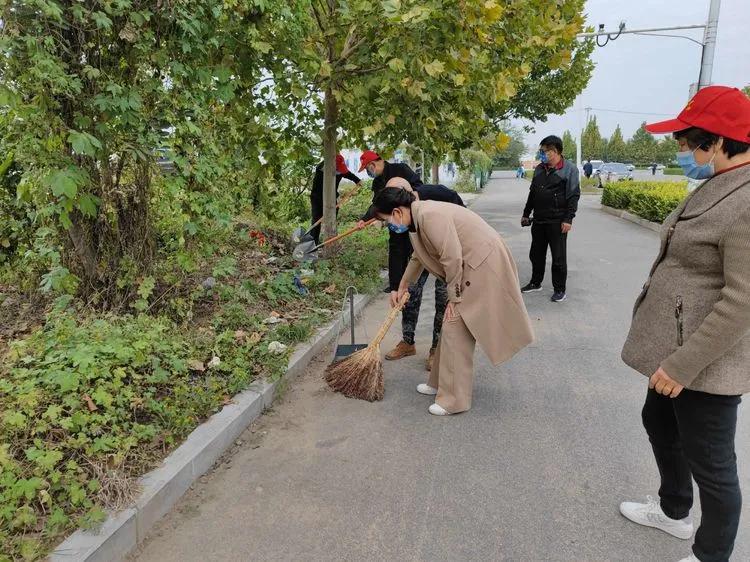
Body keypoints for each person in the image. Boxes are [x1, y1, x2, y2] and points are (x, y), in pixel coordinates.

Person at [618, 85, 750, 562]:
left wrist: (683, 365)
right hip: (674, 350)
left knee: (713, 464)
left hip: (702, 360)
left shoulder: (748, 199)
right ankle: (674, 512)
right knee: (657, 419)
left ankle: (710, 554)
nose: (681, 150)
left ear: (716, 141)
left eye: (687, 141)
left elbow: (742, 301)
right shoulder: (721, 182)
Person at [371, 188, 534, 416]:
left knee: (455, 326)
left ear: (397, 212)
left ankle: (454, 400)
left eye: (385, 220)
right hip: (472, 263)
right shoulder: (416, 221)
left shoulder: (429, 216)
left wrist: (454, 298)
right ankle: (439, 383)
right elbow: (418, 257)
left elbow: (452, 257)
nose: (388, 226)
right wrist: (403, 285)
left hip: (483, 264)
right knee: (450, 327)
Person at [363, 177, 465, 370]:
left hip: (447, 252)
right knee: (409, 293)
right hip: (419, 254)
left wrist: (455, 291)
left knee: (444, 297)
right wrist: (396, 287)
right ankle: (408, 342)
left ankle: (437, 348)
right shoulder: (397, 217)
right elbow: (397, 251)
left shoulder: (437, 197)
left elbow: (458, 232)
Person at [520, 135, 581, 302]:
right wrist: (526, 214)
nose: (542, 154)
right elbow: (533, 193)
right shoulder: (540, 168)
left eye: (544, 151)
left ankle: (560, 289)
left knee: (558, 258)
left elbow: (573, 195)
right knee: (536, 254)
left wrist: (568, 219)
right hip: (539, 220)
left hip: (557, 221)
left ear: (554, 152)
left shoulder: (569, 169)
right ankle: (535, 282)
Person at [309, 154, 361, 244]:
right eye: (337, 168)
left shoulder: (340, 168)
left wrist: (357, 180)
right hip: (317, 197)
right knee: (316, 220)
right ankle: (312, 244)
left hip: (332, 198)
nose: (340, 171)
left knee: (332, 218)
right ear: (332, 165)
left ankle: (330, 241)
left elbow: (348, 174)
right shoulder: (321, 168)